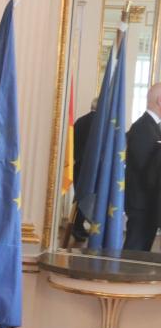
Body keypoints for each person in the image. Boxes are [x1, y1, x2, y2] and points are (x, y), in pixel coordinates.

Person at [124, 83, 161, 251]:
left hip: (148, 204)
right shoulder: (143, 128)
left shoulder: (153, 127)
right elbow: (148, 173)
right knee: (134, 255)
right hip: (141, 206)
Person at [70, 98, 96, 241]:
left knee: (80, 196)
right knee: (88, 197)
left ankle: (78, 226)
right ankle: (78, 227)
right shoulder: (100, 123)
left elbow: (72, 142)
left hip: (78, 165)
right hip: (92, 167)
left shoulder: (80, 121)